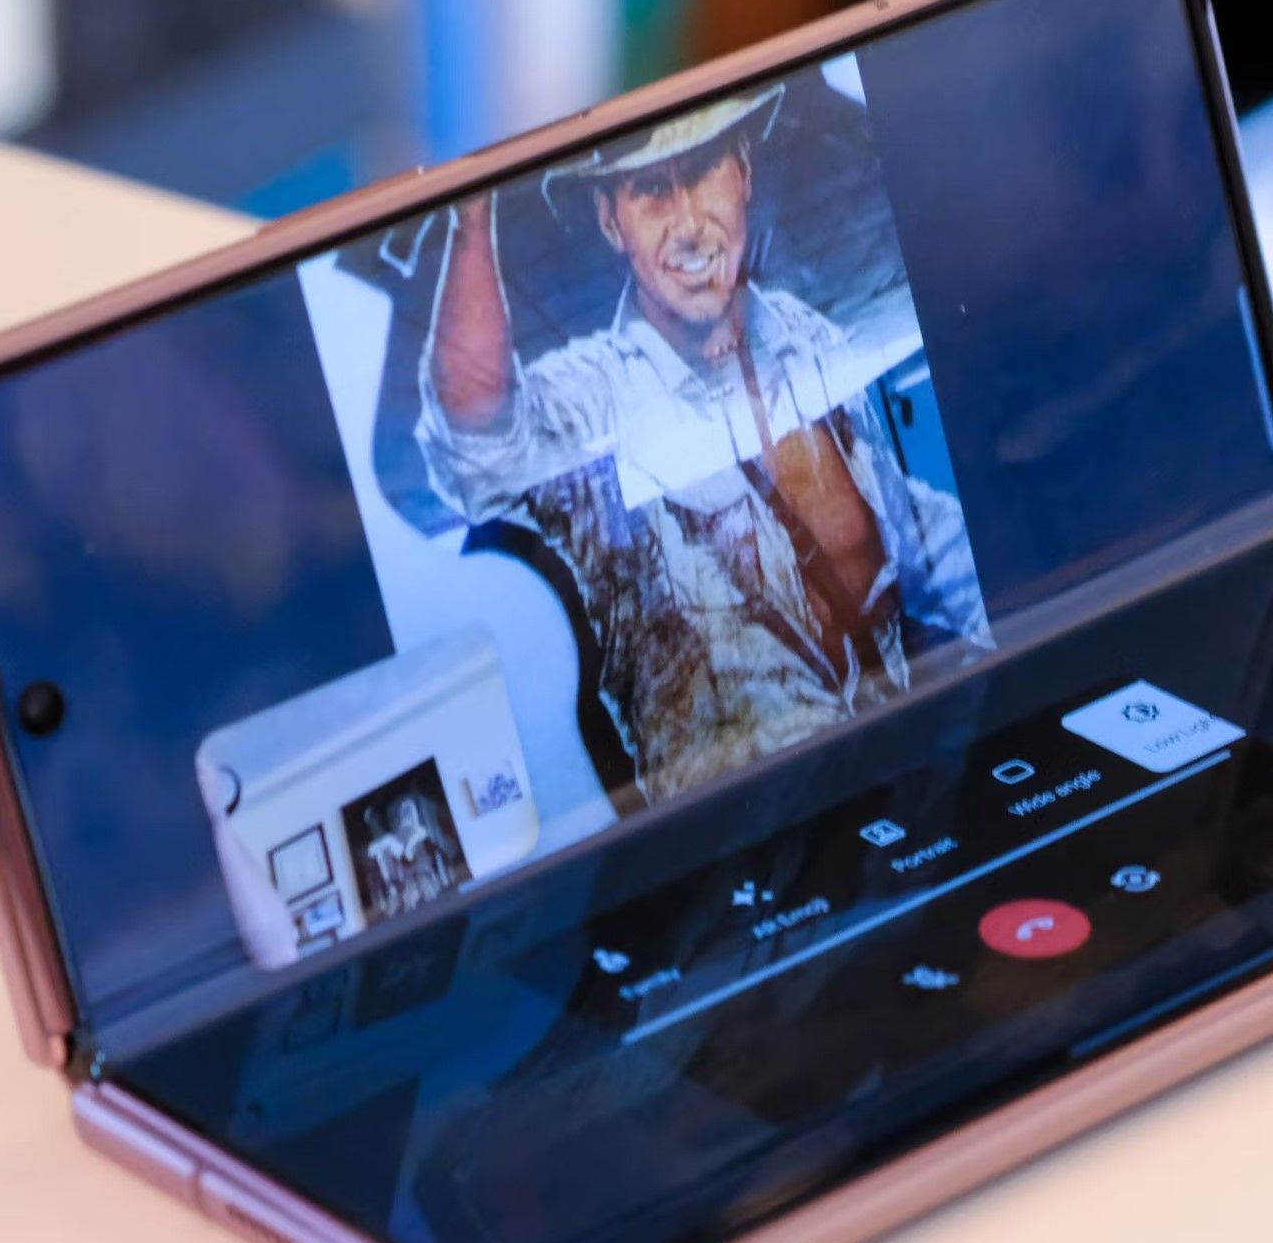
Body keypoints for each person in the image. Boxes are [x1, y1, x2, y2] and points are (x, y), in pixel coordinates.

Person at [411, 86, 989, 802]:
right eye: (652, 190)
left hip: (911, 776)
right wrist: (472, 210)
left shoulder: (804, 336)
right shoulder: (600, 395)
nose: (688, 226)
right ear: (610, 221)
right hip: (756, 843)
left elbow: (915, 532)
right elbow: (478, 433)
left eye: (706, 170)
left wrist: (1012, 651)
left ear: (743, 171)